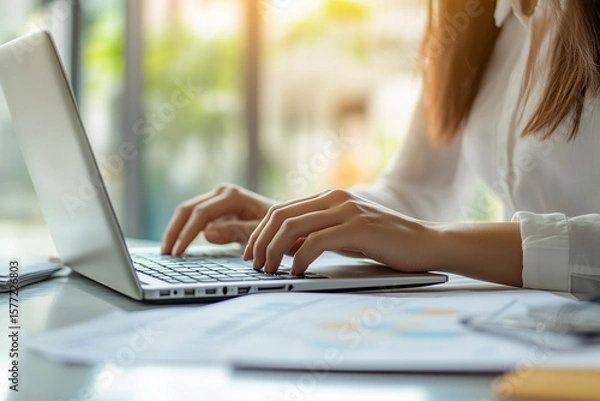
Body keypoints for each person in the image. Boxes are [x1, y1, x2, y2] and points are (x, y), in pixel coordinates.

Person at [161, 0, 600, 294]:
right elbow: (414, 195)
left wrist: (436, 242)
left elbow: (422, 234)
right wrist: (299, 219)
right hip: (519, 334)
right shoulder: (473, 18)